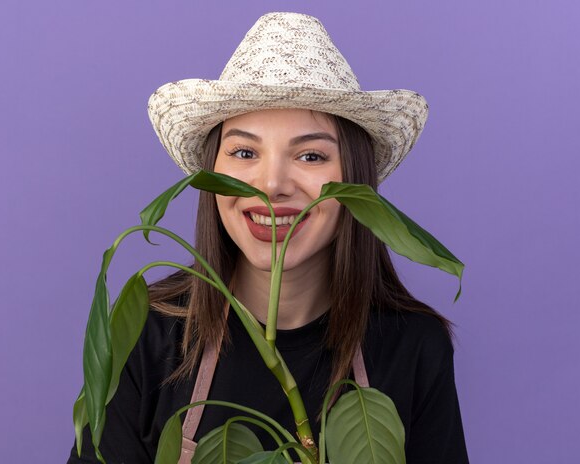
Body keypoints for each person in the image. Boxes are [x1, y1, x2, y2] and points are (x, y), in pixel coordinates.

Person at [69, 12, 469, 464]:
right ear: (211, 176)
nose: (271, 183)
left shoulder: (412, 346)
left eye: (311, 155)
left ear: (354, 183)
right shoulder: (149, 334)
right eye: (244, 152)